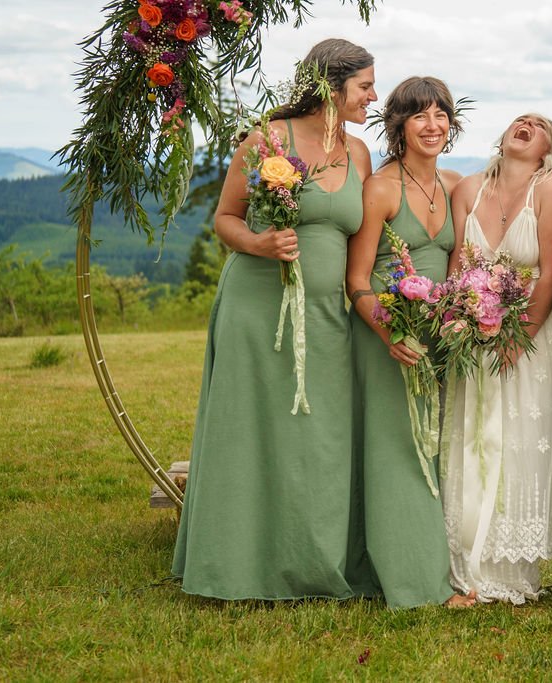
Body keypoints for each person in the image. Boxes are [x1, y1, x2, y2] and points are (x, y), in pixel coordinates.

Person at [171, 38, 377, 600]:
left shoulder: (359, 153)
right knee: (252, 431)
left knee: (320, 435)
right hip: (257, 305)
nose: (372, 96)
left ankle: (313, 557)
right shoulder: (268, 139)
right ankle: (238, 562)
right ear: (330, 87)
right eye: (364, 86)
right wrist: (259, 244)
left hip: (327, 314)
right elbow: (225, 217)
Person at [345, 76, 475, 609]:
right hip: (386, 335)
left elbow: (461, 265)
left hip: (438, 337)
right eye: (420, 115)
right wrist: (391, 333)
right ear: (398, 125)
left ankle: (438, 561)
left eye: (440, 114)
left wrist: (462, 318)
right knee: (400, 449)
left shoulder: (455, 184)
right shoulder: (381, 188)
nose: (432, 125)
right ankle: (417, 584)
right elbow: (356, 281)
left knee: (435, 446)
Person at [441, 114, 552, 604]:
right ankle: (461, 562)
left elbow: (551, 272)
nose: (526, 124)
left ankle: (511, 569)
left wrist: (522, 337)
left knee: (517, 439)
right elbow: (457, 265)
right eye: (519, 119)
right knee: (468, 434)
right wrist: (459, 321)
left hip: (529, 334)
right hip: (472, 333)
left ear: (548, 148)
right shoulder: (468, 189)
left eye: (538, 124)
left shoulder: (550, 188)